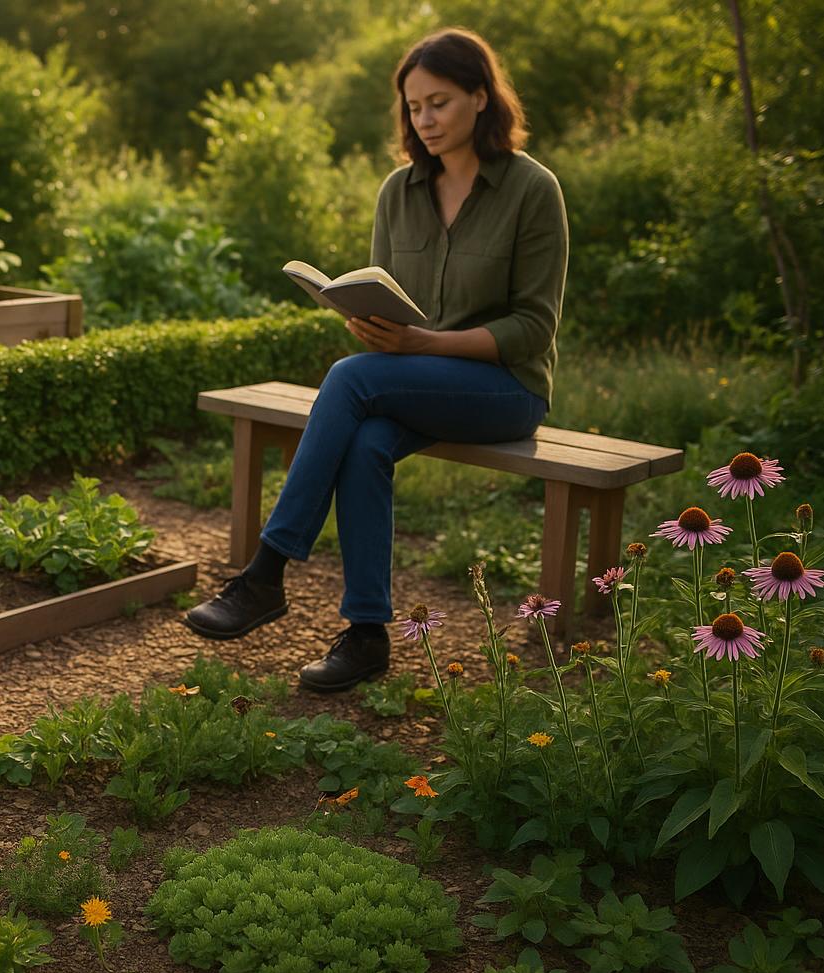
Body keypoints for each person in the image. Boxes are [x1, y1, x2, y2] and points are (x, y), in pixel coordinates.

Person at [184, 26, 568, 693]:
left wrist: (423, 346)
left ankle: (266, 573)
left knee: (347, 377)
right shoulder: (399, 191)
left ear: (481, 98)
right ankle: (366, 635)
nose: (426, 120)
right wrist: (376, 324)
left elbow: (533, 328)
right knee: (364, 443)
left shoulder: (533, 190)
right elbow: (394, 302)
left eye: (440, 102)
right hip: (419, 380)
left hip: (506, 390)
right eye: (415, 107)